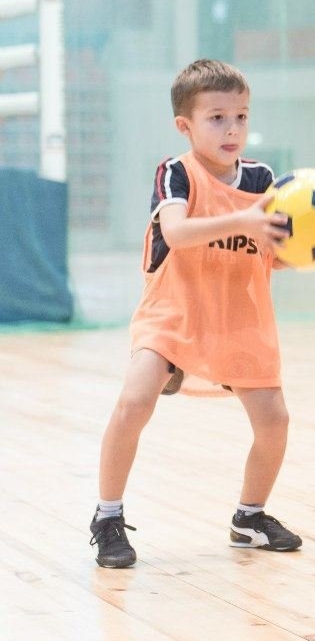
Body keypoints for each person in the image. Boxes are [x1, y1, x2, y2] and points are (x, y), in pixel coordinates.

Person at [90, 59, 300, 569]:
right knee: (134, 402)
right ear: (185, 125)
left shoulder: (264, 178)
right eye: (217, 118)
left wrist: (306, 244)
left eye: (241, 117)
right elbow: (178, 234)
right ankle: (108, 516)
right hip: (174, 313)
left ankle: (249, 518)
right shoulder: (175, 172)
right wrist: (248, 219)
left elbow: (274, 254)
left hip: (240, 319)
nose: (232, 129)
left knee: (274, 421)